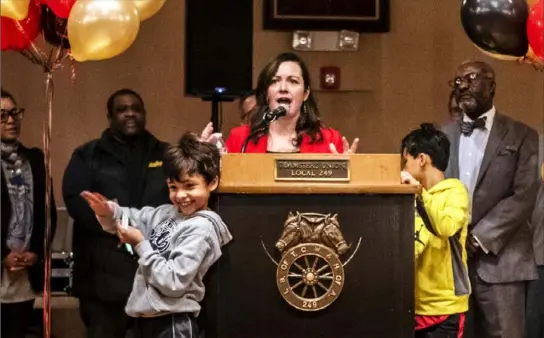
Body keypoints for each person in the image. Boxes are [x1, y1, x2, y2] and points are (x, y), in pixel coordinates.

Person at [80, 132, 233, 338]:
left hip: (174, 323)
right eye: (173, 187)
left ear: (212, 183)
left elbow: (173, 282)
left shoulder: (203, 228)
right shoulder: (165, 213)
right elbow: (130, 217)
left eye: (189, 186)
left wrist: (140, 244)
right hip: (146, 321)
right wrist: (108, 211)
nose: (180, 195)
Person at [62, 88, 171, 338]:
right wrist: (117, 226)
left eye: (136, 108)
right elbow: (76, 201)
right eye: (122, 109)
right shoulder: (87, 155)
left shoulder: (165, 154)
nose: (130, 113)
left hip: (153, 273)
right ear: (109, 116)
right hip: (102, 279)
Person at [443, 60, 539, 338]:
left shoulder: (522, 135)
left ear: (492, 85)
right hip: (451, 264)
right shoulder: (442, 136)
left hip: (503, 262)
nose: (463, 86)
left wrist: (480, 238)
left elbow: (524, 194)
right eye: (457, 81)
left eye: (471, 78)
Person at [201, 52, 359, 154]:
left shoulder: (330, 140)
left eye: (293, 81)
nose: (283, 88)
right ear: (266, 93)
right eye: (275, 81)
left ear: (305, 94)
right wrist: (203, 159)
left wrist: (348, 172)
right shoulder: (242, 138)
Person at [400, 123, 470, 338]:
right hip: (413, 305)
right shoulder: (408, 196)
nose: (402, 168)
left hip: (444, 309)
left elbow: (445, 226)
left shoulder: (455, 191)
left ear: (421, 159)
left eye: (405, 161)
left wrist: (421, 194)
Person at [1, 89, 57, 338]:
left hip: (24, 276)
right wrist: (3, 255)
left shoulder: (34, 158)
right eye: (2, 115)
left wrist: (36, 252)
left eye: (14, 113)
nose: (11, 120)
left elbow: (48, 213)